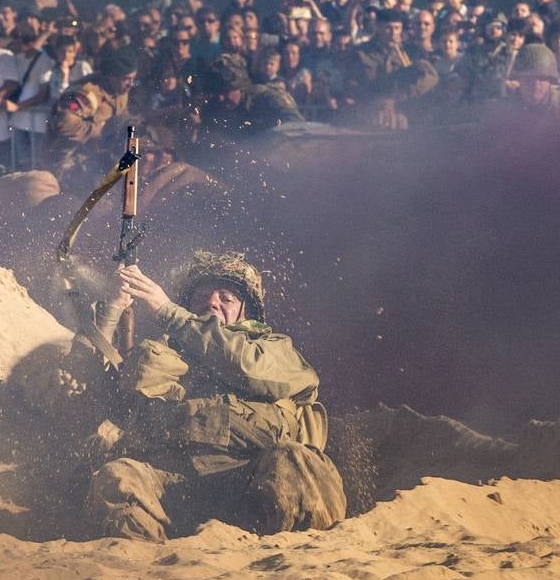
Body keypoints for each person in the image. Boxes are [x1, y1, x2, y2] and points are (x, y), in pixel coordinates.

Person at [74, 252, 346, 541]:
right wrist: (113, 308)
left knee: (296, 462)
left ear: (247, 312)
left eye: (226, 298)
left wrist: (167, 311)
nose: (212, 302)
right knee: (118, 478)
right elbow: (85, 389)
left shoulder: (274, 350)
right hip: (172, 487)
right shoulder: (161, 356)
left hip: (252, 482)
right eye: (201, 297)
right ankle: (151, 573)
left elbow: (246, 366)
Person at [44, 48, 138, 187]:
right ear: (112, 76)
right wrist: (100, 131)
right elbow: (64, 123)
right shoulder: (86, 93)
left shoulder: (120, 89)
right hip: (68, 164)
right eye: (126, 79)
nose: (131, 84)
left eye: (133, 79)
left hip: (96, 160)